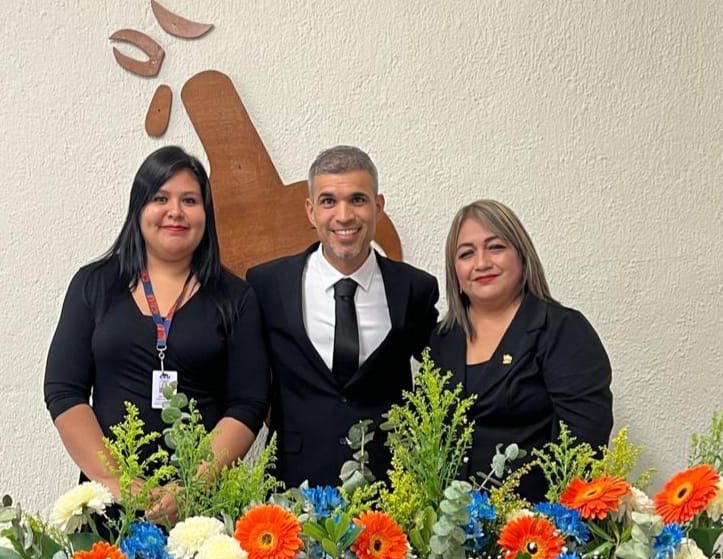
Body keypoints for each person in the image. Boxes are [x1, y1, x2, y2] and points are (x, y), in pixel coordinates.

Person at [44, 145, 269, 521]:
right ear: (139, 208)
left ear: (206, 213)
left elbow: (248, 404)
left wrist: (191, 486)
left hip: (201, 511)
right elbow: (64, 390)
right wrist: (119, 482)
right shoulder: (94, 285)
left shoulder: (236, 297)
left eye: (189, 200)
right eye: (160, 198)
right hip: (108, 505)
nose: (175, 211)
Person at [246, 146, 439, 488]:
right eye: (329, 201)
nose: (344, 215)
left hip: (389, 486)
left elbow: (443, 375)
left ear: (378, 207)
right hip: (293, 484)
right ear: (311, 211)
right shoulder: (268, 285)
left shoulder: (415, 289)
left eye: (357, 200)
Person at [429, 200, 613, 500]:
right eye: (466, 254)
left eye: (496, 247)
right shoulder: (440, 340)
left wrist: (546, 519)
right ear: (455, 273)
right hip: (452, 523)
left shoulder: (561, 330)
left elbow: (585, 447)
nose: (481, 263)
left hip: (537, 522)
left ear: (523, 258)